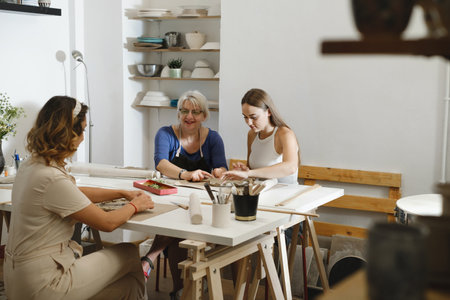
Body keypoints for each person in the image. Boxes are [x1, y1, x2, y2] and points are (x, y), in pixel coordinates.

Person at [4, 96, 154, 300]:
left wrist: (122, 193)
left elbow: (74, 192)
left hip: (19, 278)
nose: (83, 137)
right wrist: (136, 205)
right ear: (66, 133)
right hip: (44, 283)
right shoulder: (51, 177)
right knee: (128, 253)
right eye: (81, 130)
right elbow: (107, 223)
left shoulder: (32, 165)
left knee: (128, 286)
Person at [142, 90, 228, 299]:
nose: (189, 116)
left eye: (195, 112)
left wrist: (219, 172)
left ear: (204, 115)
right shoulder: (165, 133)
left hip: (203, 202)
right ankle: (179, 287)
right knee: (176, 224)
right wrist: (186, 174)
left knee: (178, 225)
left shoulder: (213, 138)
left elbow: (222, 168)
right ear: (178, 113)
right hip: (171, 197)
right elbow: (161, 163)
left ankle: (151, 261)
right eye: (185, 111)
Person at [222, 88, 300, 183]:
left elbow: (290, 167)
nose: (249, 122)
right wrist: (244, 172)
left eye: (253, 117)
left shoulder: (285, 134)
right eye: (245, 117)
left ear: (268, 112)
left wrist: (249, 173)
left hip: (287, 195)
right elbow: (252, 172)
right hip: (262, 193)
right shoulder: (252, 134)